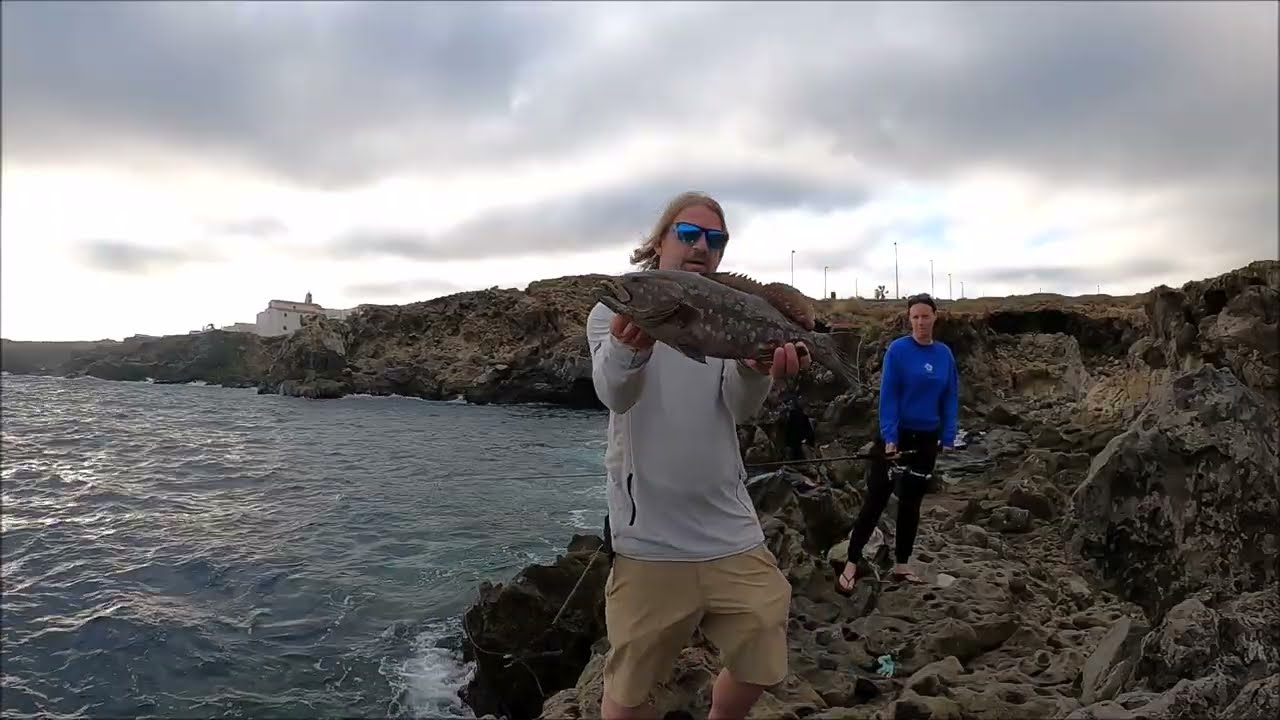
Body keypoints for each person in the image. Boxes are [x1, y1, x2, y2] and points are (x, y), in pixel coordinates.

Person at [587, 191, 812, 720]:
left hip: (728, 527)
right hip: (650, 538)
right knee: (624, 700)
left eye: (715, 239)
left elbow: (736, 407)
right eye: (688, 235)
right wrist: (630, 348)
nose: (701, 247)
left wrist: (758, 368)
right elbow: (614, 394)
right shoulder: (612, 311)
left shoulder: (728, 311)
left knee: (763, 652)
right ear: (659, 242)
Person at [836, 293, 959, 592]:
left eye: (925, 316)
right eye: (914, 317)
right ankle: (851, 562)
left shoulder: (944, 354)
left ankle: (902, 564)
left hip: (927, 438)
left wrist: (948, 434)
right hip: (897, 437)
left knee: (911, 503)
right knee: (876, 500)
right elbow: (888, 396)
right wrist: (889, 436)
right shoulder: (898, 350)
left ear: (935, 317)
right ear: (909, 319)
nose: (920, 322)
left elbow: (951, 396)